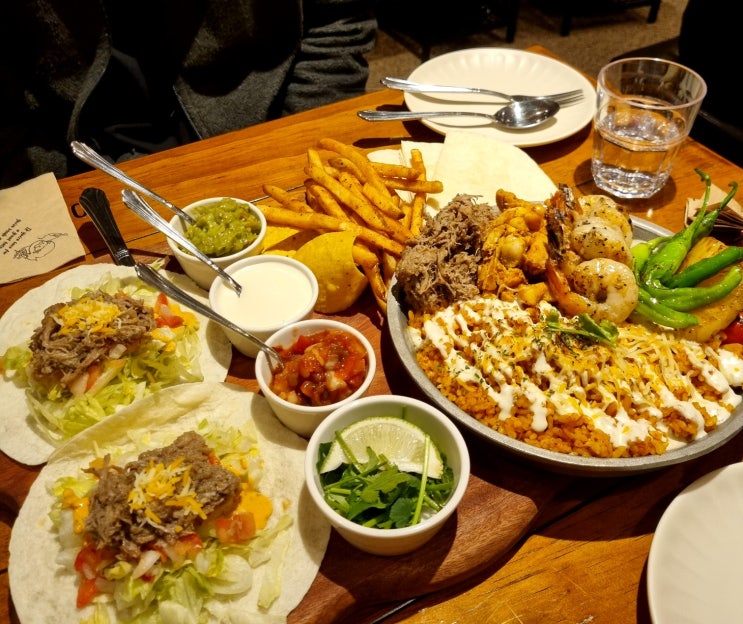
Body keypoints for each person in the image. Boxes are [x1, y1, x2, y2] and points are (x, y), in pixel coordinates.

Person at [0, 0, 377, 188]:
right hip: (66, 167)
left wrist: (298, 146)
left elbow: (337, 19)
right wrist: (38, 195)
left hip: (259, 141)